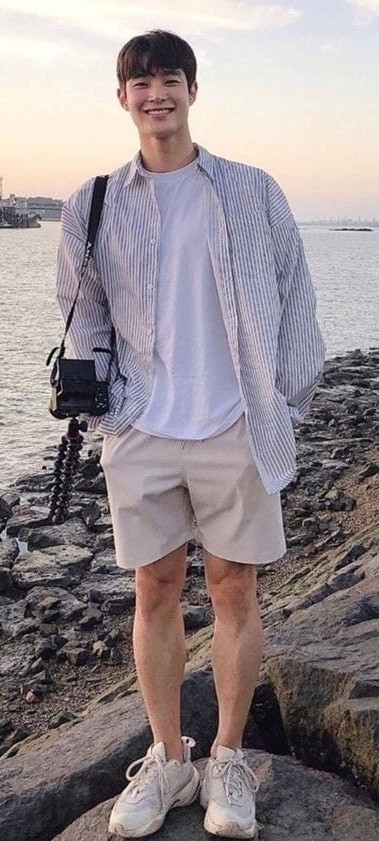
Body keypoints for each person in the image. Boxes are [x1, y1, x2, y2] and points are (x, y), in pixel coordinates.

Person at [56, 29, 325, 840]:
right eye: (139, 84)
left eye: (167, 79)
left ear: (191, 89)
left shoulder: (250, 189)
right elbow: (83, 313)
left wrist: (279, 403)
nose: (154, 95)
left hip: (233, 421)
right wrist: (109, 413)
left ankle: (230, 760)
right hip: (141, 427)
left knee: (234, 591)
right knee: (153, 590)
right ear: (122, 99)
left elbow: (295, 297)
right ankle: (169, 758)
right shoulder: (92, 200)